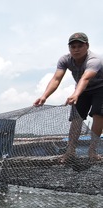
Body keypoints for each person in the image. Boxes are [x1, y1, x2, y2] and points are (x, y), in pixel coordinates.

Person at [34, 32, 103, 162]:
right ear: (69, 48)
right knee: (76, 118)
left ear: (87, 46)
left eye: (79, 46)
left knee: (98, 115)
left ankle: (92, 152)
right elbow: (56, 78)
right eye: (73, 47)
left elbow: (86, 78)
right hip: (82, 89)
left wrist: (75, 94)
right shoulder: (65, 59)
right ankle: (70, 152)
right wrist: (44, 96)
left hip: (100, 88)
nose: (76, 50)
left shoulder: (94, 60)